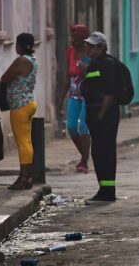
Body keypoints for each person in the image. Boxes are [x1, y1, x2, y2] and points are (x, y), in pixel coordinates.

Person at [81, 32, 122, 202]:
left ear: (102, 47)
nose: (88, 49)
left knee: (105, 152)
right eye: (88, 46)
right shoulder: (94, 63)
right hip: (95, 114)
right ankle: (104, 189)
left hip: (105, 115)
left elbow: (109, 93)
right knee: (98, 152)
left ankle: (108, 191)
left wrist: (101, 114)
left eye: (92, 46)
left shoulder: (107, 64)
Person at [1, 33, 39, 190]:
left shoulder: (21, 61)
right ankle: (27, 176)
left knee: (22, 143)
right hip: (28, 102)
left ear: (20, 46)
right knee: (27, 142)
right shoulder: (33, 59)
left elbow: (5, 78)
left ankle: (24, 177)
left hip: (20, 106)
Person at [59, 25, 91, 174]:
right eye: (72, 37)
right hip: (74, 94)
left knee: (83, 126)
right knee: (71, 126)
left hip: (89, 94)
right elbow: (67, 75)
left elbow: (98, 72)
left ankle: (84, 161)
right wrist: (61, 98)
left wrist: (87, 69)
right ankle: (84, 155)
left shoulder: (90, 52)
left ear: (84, 39)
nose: (74, 41)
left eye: (77, 38)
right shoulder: (70, 52)